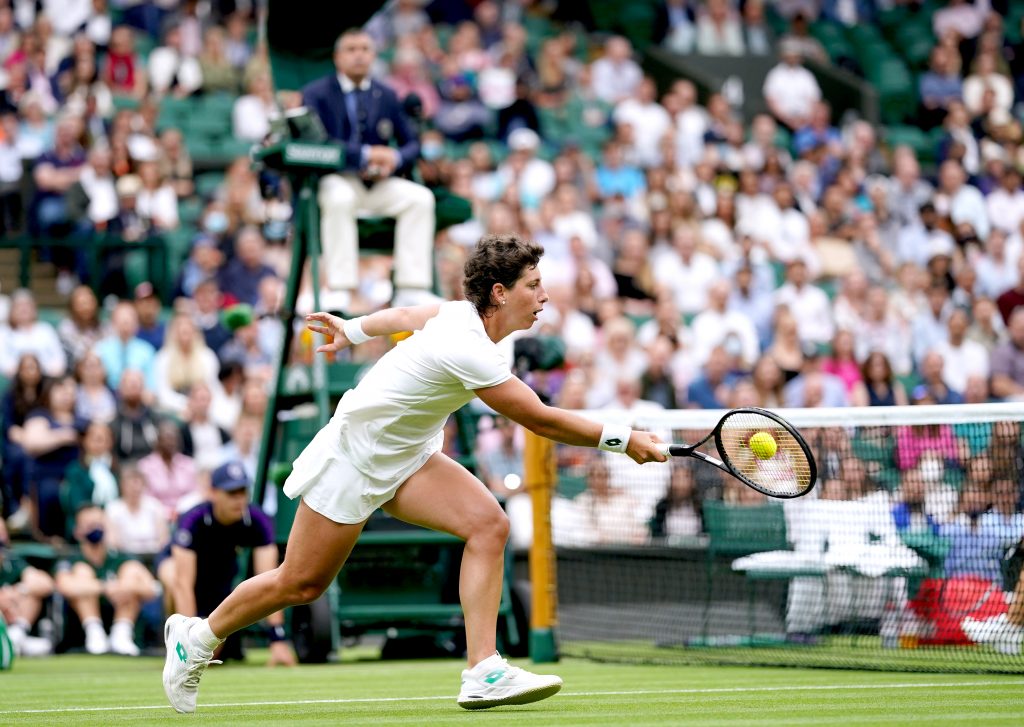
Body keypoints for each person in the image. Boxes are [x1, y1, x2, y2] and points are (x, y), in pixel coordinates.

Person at [161, 233, 667, 713]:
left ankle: (483, 670)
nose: (545, 295)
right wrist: (623, 440)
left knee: (489, 525)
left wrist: (352, 328)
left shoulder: (460, 317)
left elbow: (405, 315)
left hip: (407, 456)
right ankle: (196, 638)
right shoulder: (466, 343)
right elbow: (538, 417)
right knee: (301, 584)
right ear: (500, 292)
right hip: (355, 458)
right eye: (533, 285)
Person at [303, 28, 437, 311]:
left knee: (420, 198)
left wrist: (395, 158)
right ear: (337, 57)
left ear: (374, 56)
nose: (359, 55)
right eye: (351, 49)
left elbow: (413, 143)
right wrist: (364, 155)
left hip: (378, 182)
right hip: (336, 179)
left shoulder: (385, 94)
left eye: (365, 49)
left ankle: (411, 288)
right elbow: (317, 144)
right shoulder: (316, 93)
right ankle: (341, 287)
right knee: (339, 197)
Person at [158, 461, 294, 665]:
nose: (239, 500)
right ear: (213, 493)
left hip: (220, 577)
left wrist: (278, 639)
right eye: (231, 493)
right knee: (172, 577)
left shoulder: (258, 520)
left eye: (242, 491)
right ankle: (178, 645)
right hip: (183, 572)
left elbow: (272, 580)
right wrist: (190, 644)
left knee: (214, 653)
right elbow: (183, 584)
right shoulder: (192, 519)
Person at [55, 502, 158, 655]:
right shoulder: (72, 560)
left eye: (99, 524)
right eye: (89, 525)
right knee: (82, 574)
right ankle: (94, 632)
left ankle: (121, 633)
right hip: (81, 629)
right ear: (77, 531)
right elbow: (64, 586)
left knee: (131, 573)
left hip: (122, 612)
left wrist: (125, 587)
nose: (96, 529)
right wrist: (105, 587)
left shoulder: (121, 558)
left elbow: (153, 588)